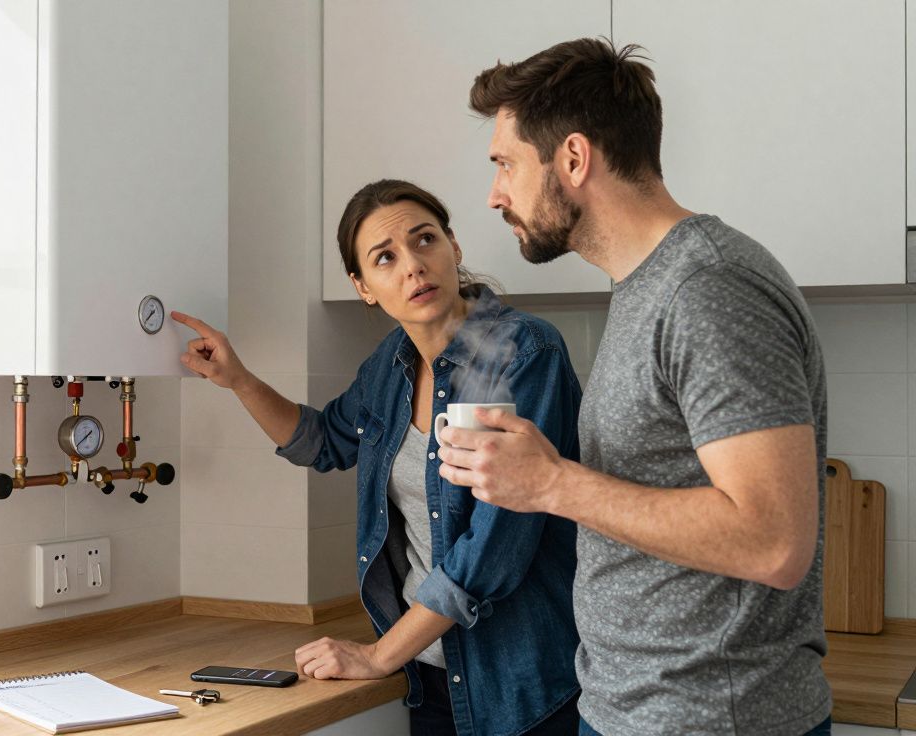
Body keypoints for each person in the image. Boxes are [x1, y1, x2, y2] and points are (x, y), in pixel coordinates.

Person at [436, 39, 831, 735]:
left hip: (712, 719)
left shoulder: (707, 288)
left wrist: (553, 484)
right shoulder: (647, 286)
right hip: (634, 710)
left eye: (505, 164)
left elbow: (774, 541)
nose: (494, 193)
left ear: (575, 160)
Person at [172, 179, 583, 735]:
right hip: (429, 675)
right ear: (363, 286)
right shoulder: (388, 367)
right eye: (385, 258)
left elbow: (494, 552)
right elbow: (321, 442)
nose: (413, 265)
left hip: (521, 684)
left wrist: (378, 656)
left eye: (425, 240)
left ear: (453, 248)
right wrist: (238, 380)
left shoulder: (525, 353)